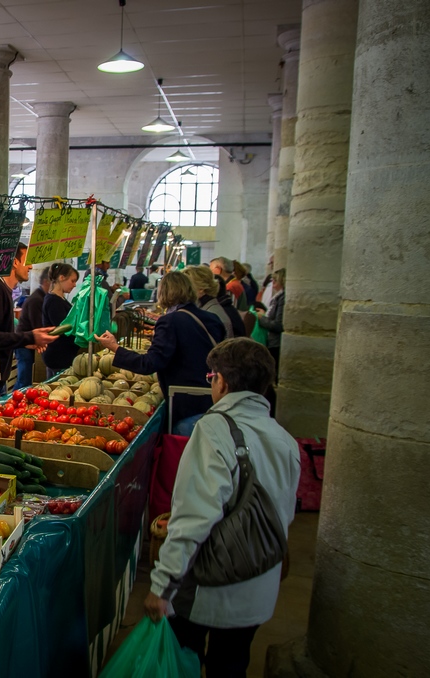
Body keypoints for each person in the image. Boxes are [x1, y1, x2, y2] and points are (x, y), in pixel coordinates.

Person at [143, 338, 300, 678]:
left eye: (211, 376)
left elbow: (192, 519)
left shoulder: (214, 430)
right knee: (231, 663)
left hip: (211, 590)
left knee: (182, 657)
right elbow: (284, 514)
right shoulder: (285, 439)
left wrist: (162, 586)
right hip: (260, 586)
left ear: (223, 382)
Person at [95, 271, 224, 435]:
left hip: (183, 400)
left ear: (165, 293)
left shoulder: (170, 321)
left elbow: (150, 363)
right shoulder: (211, 318)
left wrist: (115, 348)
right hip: (213, 395)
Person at [0, 243, 57, 393]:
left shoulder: (1, 289)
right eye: (28, 260)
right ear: (14, 262)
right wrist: (29, 337)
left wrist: (23, 342)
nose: (31, 267)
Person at [42, 263, 80, 379]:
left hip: (64, 356)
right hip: (58, 357)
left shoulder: (60, 299)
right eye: (72, 281)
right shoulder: (53, 301)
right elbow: (64, 329)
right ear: (61, 278)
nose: (74, 285)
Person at [15, 268, 51, 389]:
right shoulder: (37, 299)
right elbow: (38, 325)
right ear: (46, 282)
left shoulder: (42, 297)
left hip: (29, 342)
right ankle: (13, 401)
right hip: (24, 344)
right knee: (24, 380)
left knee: (26, 380)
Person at [185, 265, 245, 339]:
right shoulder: (207, 308)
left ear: (201, 288)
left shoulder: (211, 314)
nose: (183, 291)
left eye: (187, 286)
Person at [256, 268, 285, 374]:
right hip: (272, 340)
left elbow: (278, 325)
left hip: (275, 342)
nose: (273, 283)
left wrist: (261, 318)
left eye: (275, 280)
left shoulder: (282, 298)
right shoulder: (278, 297)